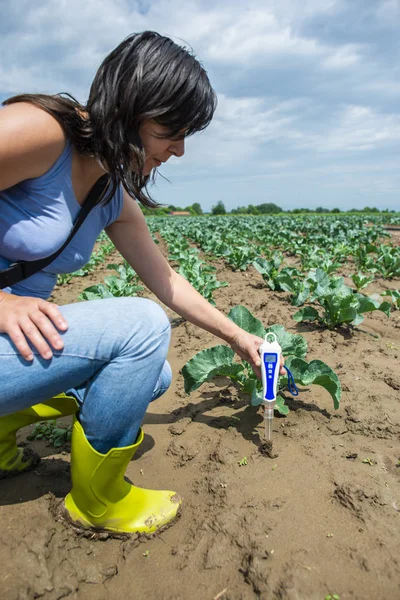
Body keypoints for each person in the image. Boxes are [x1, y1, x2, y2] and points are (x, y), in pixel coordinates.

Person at [0, 31, 284, 535]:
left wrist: (241, 337)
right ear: (131, 105)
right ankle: (97, 501)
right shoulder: (38, 132)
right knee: (142, 328)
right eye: (171, 130)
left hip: (8, 350)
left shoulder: (110, 192)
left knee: (152, 375)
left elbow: (168, 280)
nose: (176, 151)